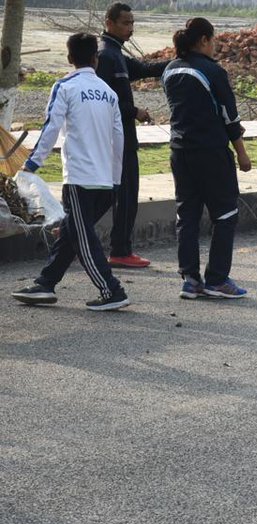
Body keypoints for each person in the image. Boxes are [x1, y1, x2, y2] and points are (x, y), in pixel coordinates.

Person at [11, 33, 128, 312]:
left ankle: (111, 289)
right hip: (106, 180)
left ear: (69, 59)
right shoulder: (109, 94)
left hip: (78, 178)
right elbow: (118, 139)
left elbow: (51, 128)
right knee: (70, 233)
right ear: (95, 59)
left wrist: (32, 165)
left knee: (82, 238)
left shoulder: (65, 86)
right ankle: (46, 283)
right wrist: (116, 179)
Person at [162, 17, 252, 300]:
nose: (214, 46)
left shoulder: (171, 70)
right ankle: (217, 279)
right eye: (213, 40)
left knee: (187, 215)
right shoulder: (212, 71)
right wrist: (242, 153)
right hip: (211, 154)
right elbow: (230, 117)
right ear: (203, 40)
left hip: (180, 152)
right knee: (225, 215)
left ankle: (190, 279)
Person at [97, 2, 168, 269]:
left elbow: (146, 69)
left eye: (132, 23)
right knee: (124, 194)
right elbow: (103, 100)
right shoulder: (105, 56)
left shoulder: (116, 54)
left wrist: (181, 58)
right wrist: (134, 110)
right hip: (117, 139)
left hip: (122, 137)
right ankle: (120, 251)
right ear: (109, 23)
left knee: (111, 193)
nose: (131, 28)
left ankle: (70, 231)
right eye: (125, 23)